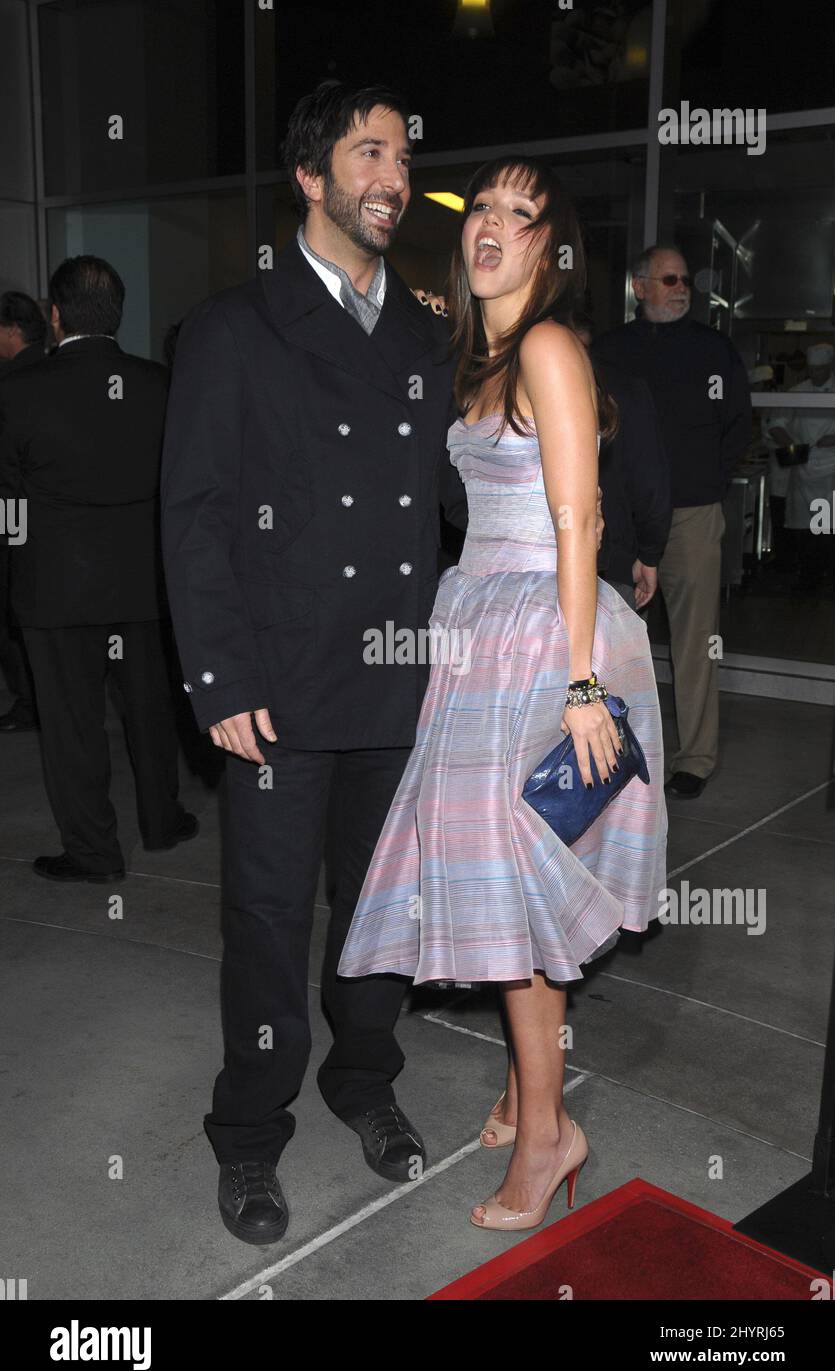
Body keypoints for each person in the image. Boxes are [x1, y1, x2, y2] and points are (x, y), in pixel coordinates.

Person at [160, 81, 471, 1246]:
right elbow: (192, 514)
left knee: (380, 913)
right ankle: (249, 1129)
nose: (394, 176)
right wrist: (220, 678)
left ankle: (366, 1080)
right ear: (311, 175)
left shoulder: (427, 332)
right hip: (280, 691)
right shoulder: (234, 328)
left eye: (403, 155)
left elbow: (456, 492)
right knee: (268, 916)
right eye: (370, 152)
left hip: (399, 679)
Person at [338, 156, 668, 1232]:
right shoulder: (477, 359)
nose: (491, 225)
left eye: (520, 217)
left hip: (542, 636)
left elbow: (581, 523)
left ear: (548, 250)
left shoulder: (547, 347)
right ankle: (528, 1090)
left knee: (517, 891)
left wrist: (578, 682)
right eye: (481, 206)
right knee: (492, 877)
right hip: (476, 622)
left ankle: (547, 1136)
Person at [0, 256, 196, 882]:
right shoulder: (161, 384)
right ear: (118, 313)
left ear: (55, 317)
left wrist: (16, 565)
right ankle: (162, 823)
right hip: (144, 584)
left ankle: (94, 852)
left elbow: (6, 503)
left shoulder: (17, 391)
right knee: (151, 709)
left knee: (71, 725)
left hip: (55, 590)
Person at [594, 246, 751, 799]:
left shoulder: (714, 351)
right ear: (640, 287)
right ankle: (607, 747)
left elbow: (738, 426)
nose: (682, 287)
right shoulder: (609, 351)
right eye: (668, 279)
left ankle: (695, 758)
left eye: (685, 279)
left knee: (694, 641)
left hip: (691, 516)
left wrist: (706, 481)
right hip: (618, 518)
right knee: (605, 640)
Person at [572, 312, 671, 613]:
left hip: (517, 570)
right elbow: (649, 483)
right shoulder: (622, 388)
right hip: (605, 565)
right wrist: (649, 554)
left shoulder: (500, 384)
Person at [0, 291, 45, 732]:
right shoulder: (52, 371)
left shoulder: (12, 381)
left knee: (13, 615)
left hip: (14, 514)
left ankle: (29, 699)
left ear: (12, 330)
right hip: (42, 516)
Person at [767, 343, 835, 595]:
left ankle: (827, 575)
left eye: (821, 370)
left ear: (829, 367)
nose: (816, 374)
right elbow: (776, 423)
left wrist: (834, 438)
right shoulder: (797, 392)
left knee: (828, 526)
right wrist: (791, 443)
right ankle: (807, 577)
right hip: (803, 465)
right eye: (813, 369)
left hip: (832, 469)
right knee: (804, 527)